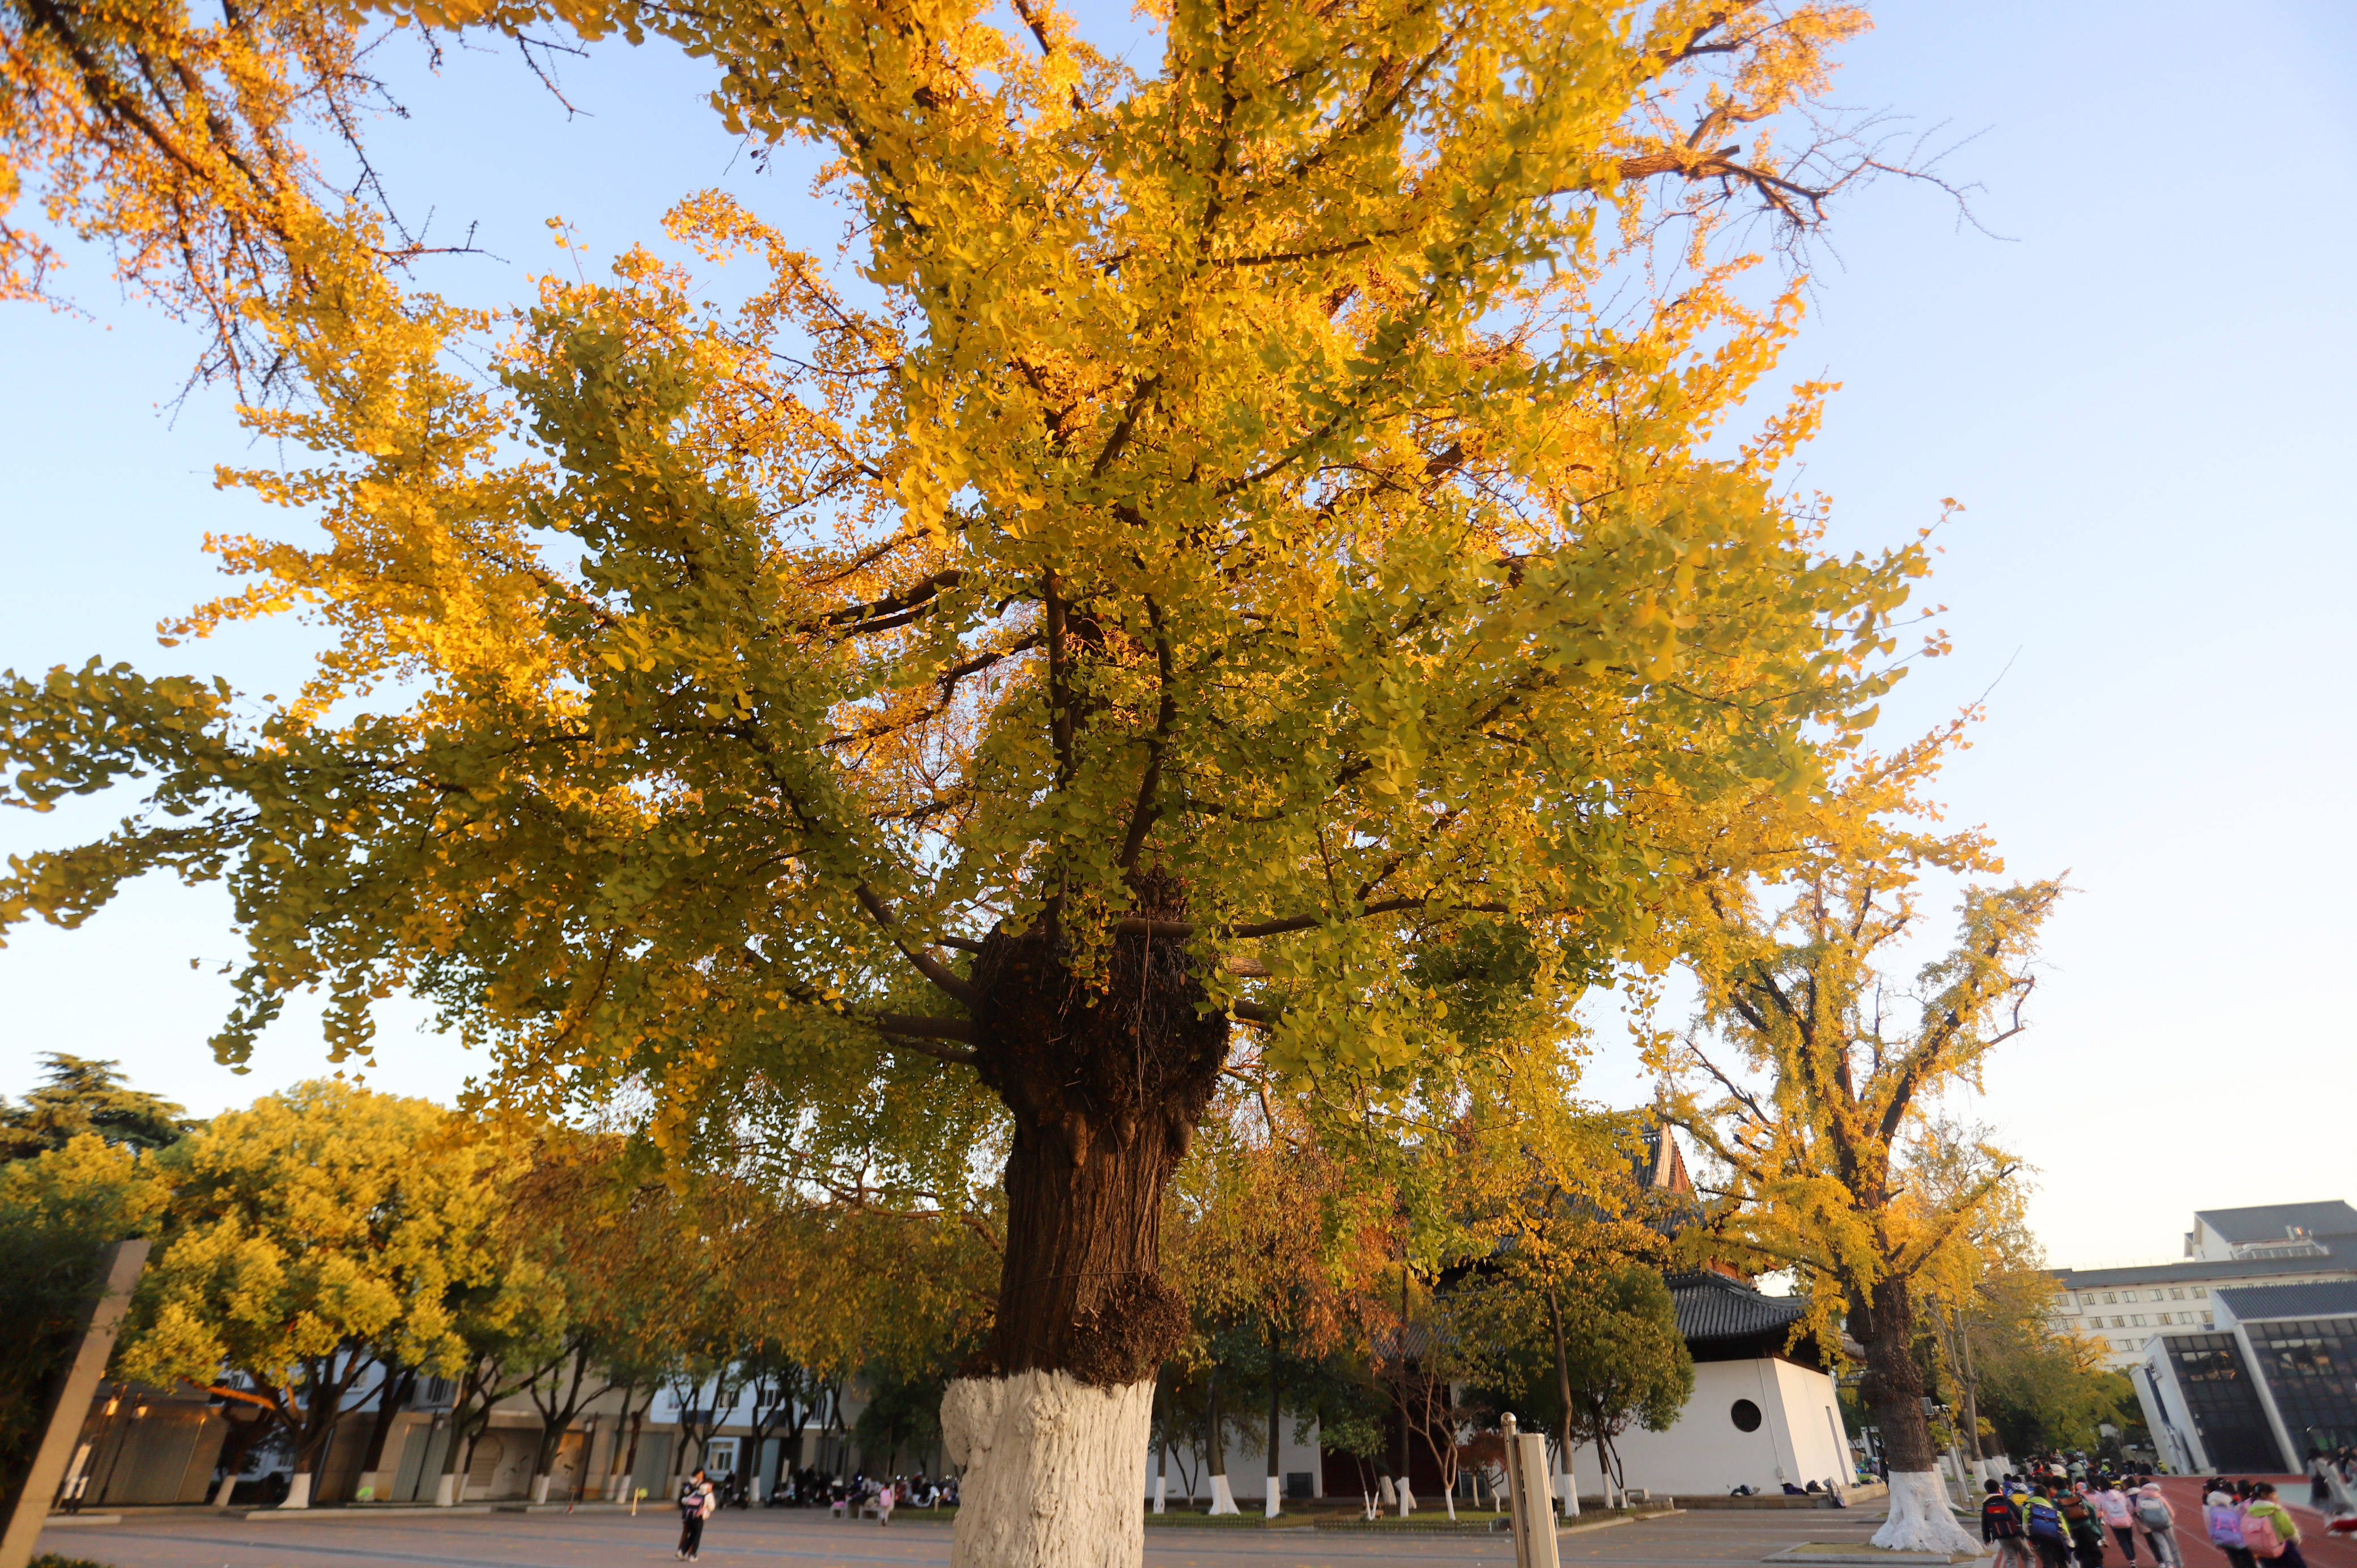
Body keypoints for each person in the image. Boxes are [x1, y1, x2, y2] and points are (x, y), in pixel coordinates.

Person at [2243, 1483, 2306, 1568]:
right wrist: (2297, 1541)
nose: (2276, 1497)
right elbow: (2289, 1531)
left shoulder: (2250, 1513)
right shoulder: (2276, 1511)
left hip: (2263, 1551)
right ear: (2265, 1495)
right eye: (2274, 1494)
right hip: (2282, 1549)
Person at [1983, 1478, 2033, 1568]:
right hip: (2016, 1533)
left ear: (1987, 1492)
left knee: (2011, 1559)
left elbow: (1985, 1523)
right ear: (1999, 1489)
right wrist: (2025, 1531)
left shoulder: (1986, 1505)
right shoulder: (2006, 1501)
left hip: (2001, 1536)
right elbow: (2018, 1515)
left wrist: (1987, 1538)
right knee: (2028, 1557)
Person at [2058, 1483, 2107, 1568]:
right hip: (2086, 1528)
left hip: (2073, 1532)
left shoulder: (2055, 1501)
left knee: (2082, 1556)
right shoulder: (2077, 1498)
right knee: (2094, 1554)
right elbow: (2091, 1510)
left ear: (2053, 1488)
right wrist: (2093, 1525)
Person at [2208, 1485, 2256, 1568]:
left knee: (2235, 1561)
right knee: (2249, 1562)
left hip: (2225, 1541)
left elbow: (2212, 1528)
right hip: (2240, 1541)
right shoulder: (2233, 1511)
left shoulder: (2213, 1512)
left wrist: (2215, 1540)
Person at [2133, 1482, 2180, 1568]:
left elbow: (2139, 1513)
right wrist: (2171, 1520)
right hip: (2166, 1524)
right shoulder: (2160, 1498)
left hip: (2152, 1525)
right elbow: (2171, 1512)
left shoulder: (2141, 1500)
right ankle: (2178, 1564)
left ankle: (2168, 1564)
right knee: (2172, 1544)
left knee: (2162, 1545)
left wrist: (2147, 1520)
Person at [2095, 1477, 2139, 1564]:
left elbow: (2099, 1510)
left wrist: (2103, 1516)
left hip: (2114, 1521)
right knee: (2129, 1539)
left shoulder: (2100, 1497)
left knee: (2122, 1541)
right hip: (2126, 1519)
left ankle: (2131, 1560)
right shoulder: (2118, 1493)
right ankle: (2133, 1556)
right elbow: (2126, 1504)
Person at [678, 1468, 715, 1562]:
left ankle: (682, 1551)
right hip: (699, 1518)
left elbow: (684, 1500)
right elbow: (712, 1507)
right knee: (696, 1536)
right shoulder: (708, 1495)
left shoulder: (696, 1492)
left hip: (690, 1516)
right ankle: (692, 1555)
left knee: (692, 1535)